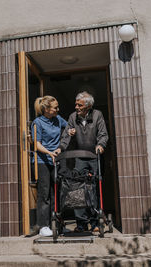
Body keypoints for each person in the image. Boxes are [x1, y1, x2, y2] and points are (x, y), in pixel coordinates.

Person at [55, 91, 108, 232]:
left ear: (88, 106)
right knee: (78, 189)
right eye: (76, 104)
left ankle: (95, 222)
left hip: (93, 156)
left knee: (94, 187)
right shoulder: (73, 117)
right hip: (79, 157)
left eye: (79, 105)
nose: (76, 107)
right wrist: (61, 148)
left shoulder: (97, 115)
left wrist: (100, 145)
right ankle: (81, 224)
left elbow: (103, 134)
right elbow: (66, 135)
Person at [31, 95, 67, 237]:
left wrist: (70, 131)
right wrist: (49, 153)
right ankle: (43, 226)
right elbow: (37, 144)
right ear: (46, 109)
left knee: (56, 192)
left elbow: (68, 125)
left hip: (56, 160)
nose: (58, 109)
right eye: (55, 107)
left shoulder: (58, 119)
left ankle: (57, 224)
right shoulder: (37, 123)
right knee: (44, 194)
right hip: (42, 161)